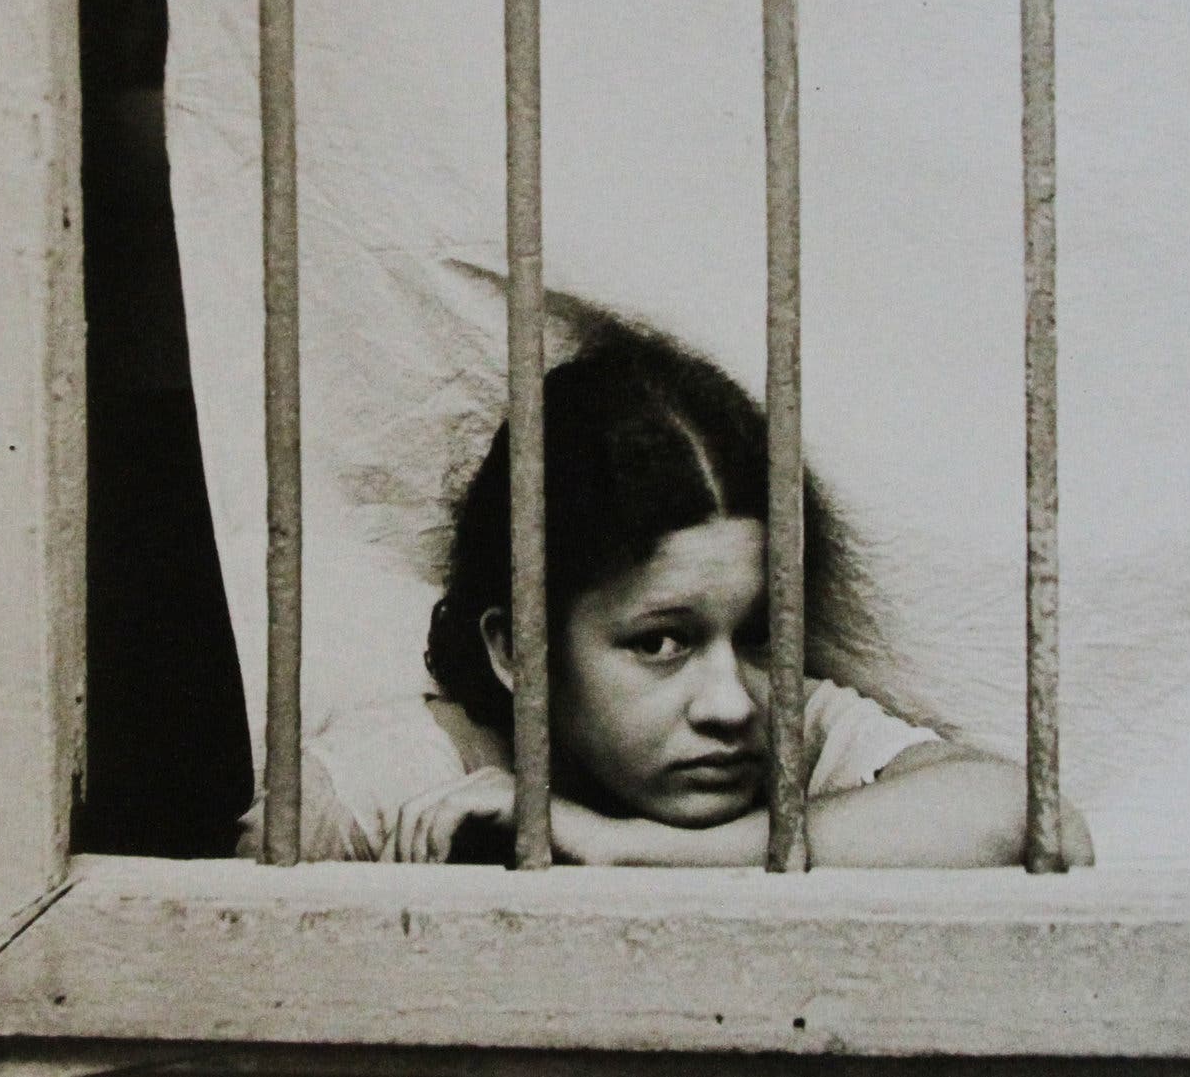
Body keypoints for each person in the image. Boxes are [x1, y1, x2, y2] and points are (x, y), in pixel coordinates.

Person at [238, 321, 1094, 866]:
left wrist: (627, 849)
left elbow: (1034, 821)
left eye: (759, 633)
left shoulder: (789, 733)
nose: (730, 702)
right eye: (660, 642)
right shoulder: (394, 779)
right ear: (518, 648)